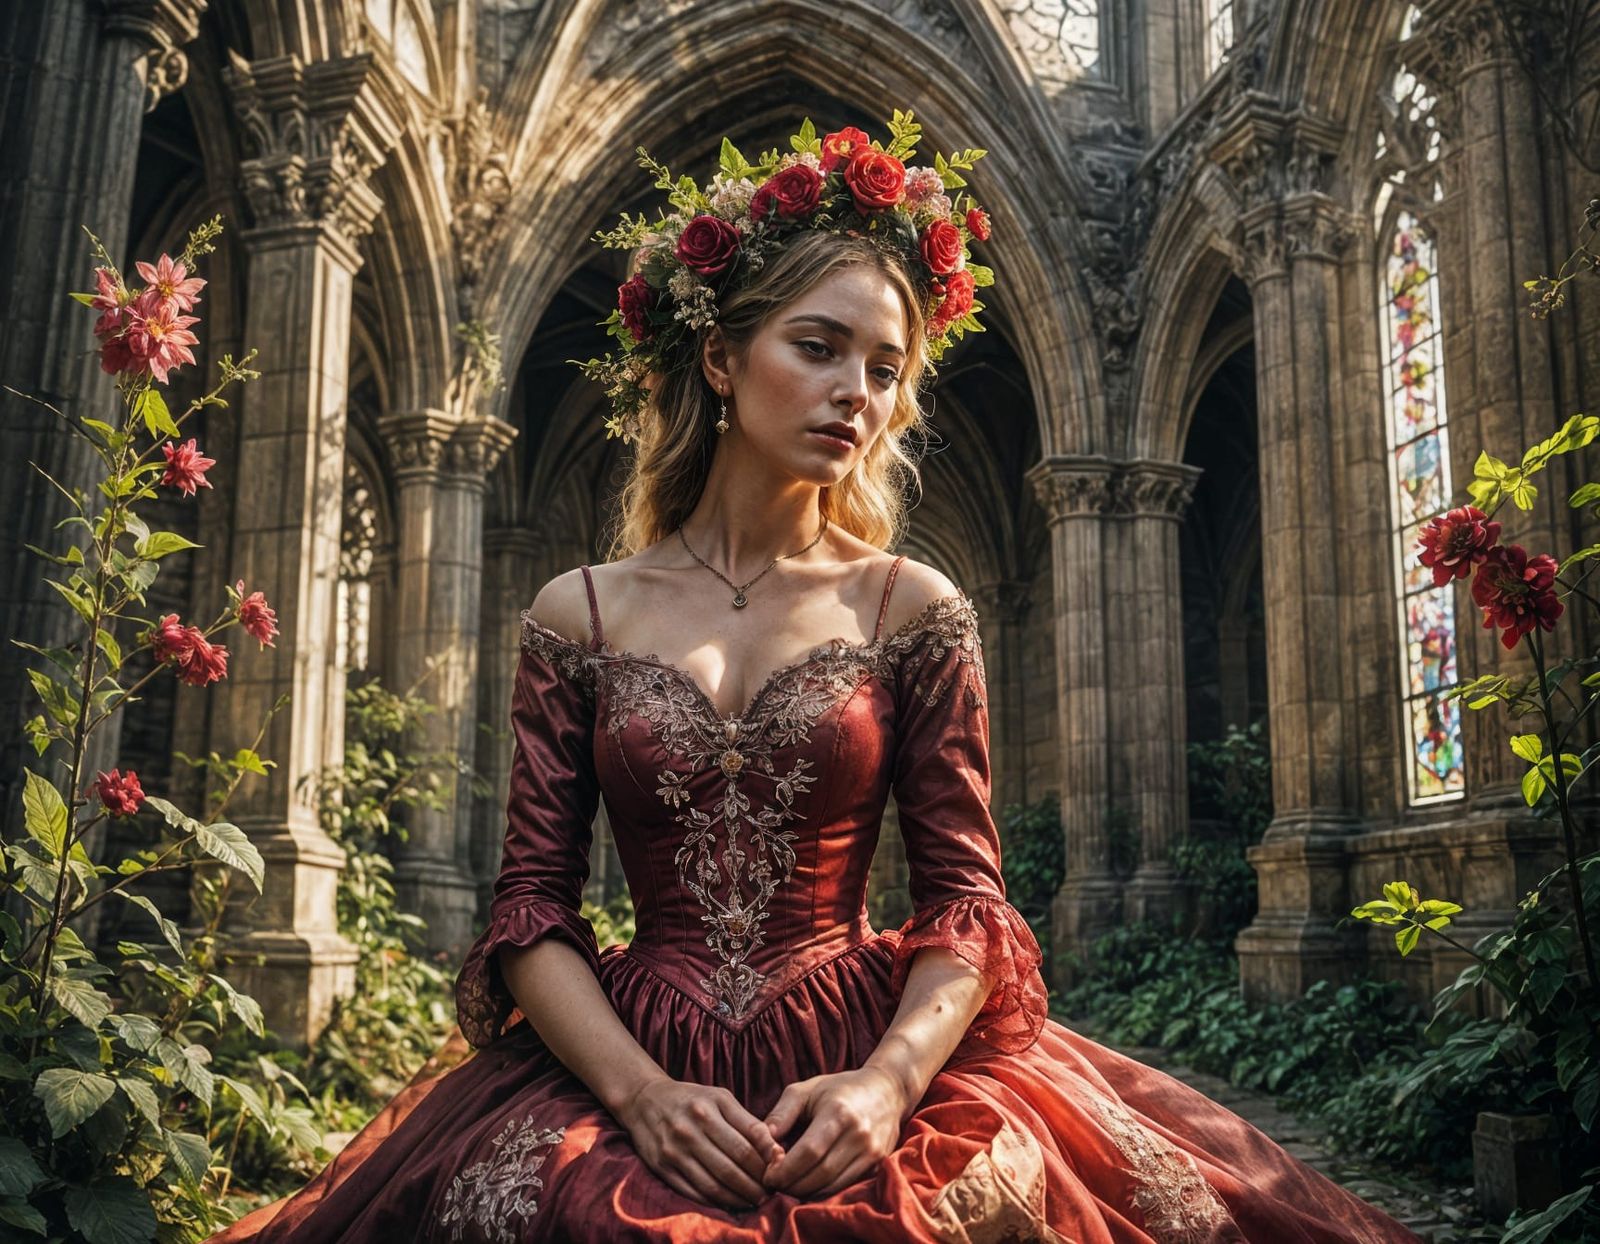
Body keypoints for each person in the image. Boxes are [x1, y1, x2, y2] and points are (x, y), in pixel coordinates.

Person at [217, 113, 1423, 1243]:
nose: (860, 391)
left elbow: (967, 901)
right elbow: (532, 909)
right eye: (819, 345)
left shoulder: (913, 604)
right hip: (631, 1050)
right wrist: (640, 1094)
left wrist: (890, 1082)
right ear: (720, 359)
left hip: (859, 1050)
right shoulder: (577, 610)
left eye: (887, 366)